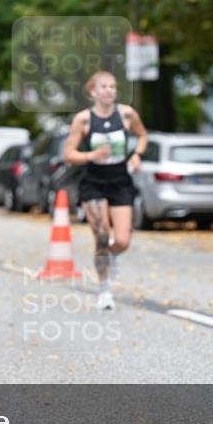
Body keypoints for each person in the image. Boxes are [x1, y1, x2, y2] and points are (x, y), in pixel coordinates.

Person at [62, 71, 148, 312]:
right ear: (93, 92)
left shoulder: (127, 114)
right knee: (101, 237)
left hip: (120, 180)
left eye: (112, 86)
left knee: (121, 240)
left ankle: (111, 256)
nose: (109, 90)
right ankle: (104, 291)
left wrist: (137, 155)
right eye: (103, 87)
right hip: (93, 183)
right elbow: (68, 154)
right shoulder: (84, 120)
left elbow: (143, 136)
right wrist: (91, 155)